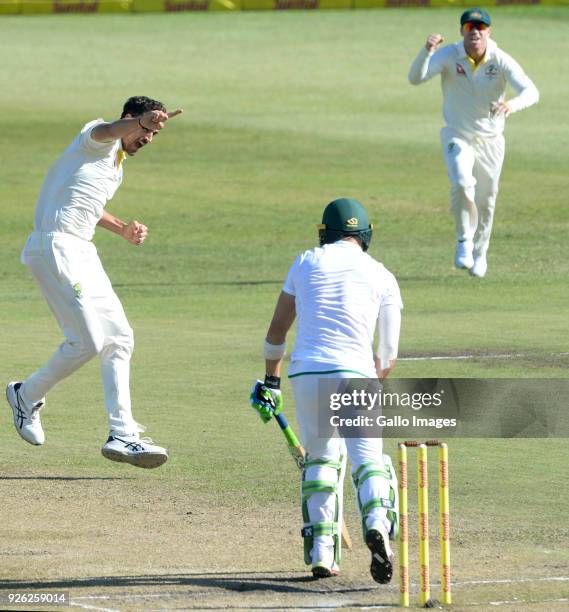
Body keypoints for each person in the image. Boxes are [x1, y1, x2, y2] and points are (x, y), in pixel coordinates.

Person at [6, 96, 182, 469]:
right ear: (130, 119)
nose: (148, 138)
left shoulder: (115, 165)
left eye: (154, 132)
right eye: (145, 129)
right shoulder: (96, 135)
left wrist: (121, 229)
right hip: (55, 245)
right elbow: (109, 130)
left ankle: (123, 434)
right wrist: (142, 122)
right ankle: (26, 395)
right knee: (87, 341)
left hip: (81, 250)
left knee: (120, 338)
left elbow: (83, 200)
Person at [250, 198, 403, 581]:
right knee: (368, 459)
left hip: (308, 373)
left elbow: (276, 332)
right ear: (366, 235)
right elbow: (387, 354)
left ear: (324, 232)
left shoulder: (306, 262)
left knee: (320, 460)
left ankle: (322, 553)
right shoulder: (382, 275)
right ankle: (378, 525)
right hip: (358, 373)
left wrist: (271, 381)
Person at [408, 8, 539, 277]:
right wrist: (427, 51)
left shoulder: (500, 59)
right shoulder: (449, 55)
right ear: (462, 31)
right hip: (458, 135)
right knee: (461, 182)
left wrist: (511, 105)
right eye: (470, 27)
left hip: (491, 140)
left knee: (486, 199)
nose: (475, 31)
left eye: (481, 27)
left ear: (489, 32)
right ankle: (463, 242)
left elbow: (531, 91)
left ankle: (480, 253)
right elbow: (416, 78)